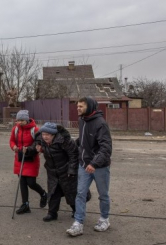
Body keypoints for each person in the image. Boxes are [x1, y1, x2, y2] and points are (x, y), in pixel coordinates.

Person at [66, 97, 112, 237]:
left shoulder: (100, 124)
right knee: (80, 194)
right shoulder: (82, 120)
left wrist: (94, 163)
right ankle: (78, 223)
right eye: (77, 106)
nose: (78, 108)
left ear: (90, 107)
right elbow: (83, 140)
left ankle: (104, 219)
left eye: (81, 106)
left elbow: (106, 148)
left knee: (103, 195)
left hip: (100, 167)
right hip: (84, 164)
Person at [28, 122, 79, 222]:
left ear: (53, 135)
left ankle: (76, 210)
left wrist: (72, 169)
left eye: (47, 135)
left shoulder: (64, 140)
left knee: (70, 192)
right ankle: (52, 213)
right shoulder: (41, 141)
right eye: (43, 134)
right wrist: (27, 150)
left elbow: (74, 154)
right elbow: (34, 147)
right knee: (53, 192)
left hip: (66, 170)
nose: (45, 137)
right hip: (52, 171)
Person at [9, 110, 47, 214]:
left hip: (31, 158)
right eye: (18, 120)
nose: (19, 122)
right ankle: (25, 204)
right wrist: (14, 147)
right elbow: (12, 140)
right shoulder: (15, 129)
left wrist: (29, 149)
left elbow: (38, 143)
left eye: (21, 120)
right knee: (22, 182)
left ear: (26, 120)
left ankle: (43, 194)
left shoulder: (35, 129)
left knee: (31, 183)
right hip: (19, 158)